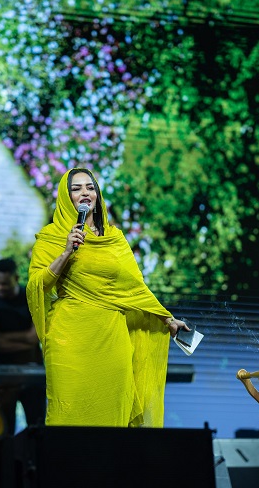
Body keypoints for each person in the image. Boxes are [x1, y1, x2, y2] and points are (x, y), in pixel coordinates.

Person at [26, 167, 189, 427]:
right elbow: (38, 284)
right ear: (65, 197)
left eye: (90, 188)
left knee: (112, 419)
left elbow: (135, 288)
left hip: (112, 339)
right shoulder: (51, 238)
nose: (85, 193)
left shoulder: (115, 239)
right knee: (68, 418)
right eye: (76, 188)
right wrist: (66, 252)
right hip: (69, 340)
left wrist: (166, 318)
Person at [0, 258, 46, 434]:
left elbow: (35, 337)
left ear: (16, 278)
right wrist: (24, 338)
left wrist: (3, 338)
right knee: (3, 428)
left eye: (5, 284)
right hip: (2, 375)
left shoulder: (31, 297)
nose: (0, 288)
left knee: (37, 425)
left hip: (32, 373)